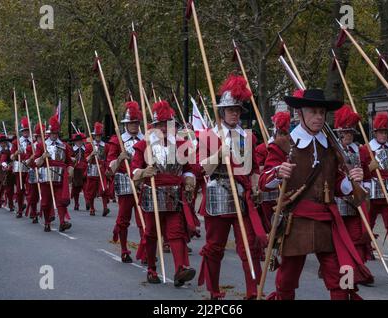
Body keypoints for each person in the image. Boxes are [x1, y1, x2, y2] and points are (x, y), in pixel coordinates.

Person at [259, 89, 372, 300]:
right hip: (295, 221)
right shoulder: (282, 145)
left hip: (325, 220)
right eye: (313, 112)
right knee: (286, 281)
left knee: (340, 277)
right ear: (299, 113)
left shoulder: (331, 148)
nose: (319, 117)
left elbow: (337, 184)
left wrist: (352, 180)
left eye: (322, 112)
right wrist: (278, 171)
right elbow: (264, 182)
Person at [197, 74, 266, 299]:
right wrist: (219, 154)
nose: (235, 113)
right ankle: (214, 291)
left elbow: (255, 167)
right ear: (222, 112)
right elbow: (202, 169)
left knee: (249, 247)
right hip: (218, 193)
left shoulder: (248, 137)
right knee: (215, 247)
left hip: (243, 195)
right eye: (230, 110)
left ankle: (252, 292)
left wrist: (256, 186)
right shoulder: (209, 136)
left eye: (237, 109)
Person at [131, 100, 198, 287]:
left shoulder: (181, 145)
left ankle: (179, 269)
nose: (164, 128)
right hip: (152, 192)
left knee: (176, 233)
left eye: (167, 124)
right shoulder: (144, 145)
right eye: (160, 125)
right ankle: (151, 269)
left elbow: (188, 168)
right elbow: (134, 170)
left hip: (175, 193)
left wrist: (189, 177)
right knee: (151, 233)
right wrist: (143, 173)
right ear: (154, 127)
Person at [333, 105, 373, 265]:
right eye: (345, 132)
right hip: (339, 200)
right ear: (339, 133)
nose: (347, 135)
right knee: (339, 237)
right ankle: (340, 266)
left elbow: (368, 176)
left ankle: (359, 268)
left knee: (358, 235)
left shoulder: (361, 151)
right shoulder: (332, 151)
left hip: (357, 199)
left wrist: (366, 190)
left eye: (350, 132)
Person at [360, 112, 388, 264]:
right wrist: (369, 168)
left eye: (385, 132)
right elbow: (362, 172)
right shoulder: (366, 150)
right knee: (368, 222)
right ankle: (367, 248)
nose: (383, 135)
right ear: (375, 133)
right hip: (371, 190)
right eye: (381, 132)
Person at [108, 101, 145, 263]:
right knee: (124, 219)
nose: (134, 126)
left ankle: (146, 252)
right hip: (125, 181)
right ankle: (124, 249)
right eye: (132, 123)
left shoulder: (146, 139)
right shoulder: (118, 141)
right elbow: (110, 167)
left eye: (137, 122)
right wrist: (119, 158)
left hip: (143, 182)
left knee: (145, 220)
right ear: (126, 124)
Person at [34, 115, 74, 232]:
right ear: (49, 133)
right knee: (46, 202)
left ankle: (62, 222)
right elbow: (36, 163)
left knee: (61, 200)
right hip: (46, 176)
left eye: (56, 133)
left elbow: (69, 161)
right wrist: (42, 156)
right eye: (52, 133)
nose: (54, 135)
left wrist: (70, 168)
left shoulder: (64, 146)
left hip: (61, 176)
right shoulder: (41, 145)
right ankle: (47, 222)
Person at [84, 122, 110, 216]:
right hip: (92, 169)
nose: (98, 137)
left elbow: (108, 158)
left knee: (103, 189)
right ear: (94, 136)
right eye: (96, 135)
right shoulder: (89, 146)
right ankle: (91, 208)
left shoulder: (106, 146)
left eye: (99, 135)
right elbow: (86, 159)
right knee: (91, 191)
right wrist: (91, 154)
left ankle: (105, 208)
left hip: (102, 169)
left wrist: (107, 168)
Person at [10, 117, 31, 218]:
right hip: (20, 167)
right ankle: (20, 209)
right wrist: (15, 153)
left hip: (31, 167)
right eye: (24, 131)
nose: (26, 132)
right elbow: (11, 156)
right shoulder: (16, 142)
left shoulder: (34, 141)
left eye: (27, 130)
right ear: (22, 131)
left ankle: (32, 210)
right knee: (19, 190)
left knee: (31, 190)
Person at [70, 132, 87, 211]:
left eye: (80, 140)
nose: (79, 142)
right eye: (77, 141)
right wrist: (71, 158)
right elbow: (68, 159)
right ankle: (76, 203)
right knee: (76, 188)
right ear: (75, 142)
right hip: (76, 171)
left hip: (85, 170)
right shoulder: (71, 149)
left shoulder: (86, 149)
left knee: (86, 187)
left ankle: (88, 202)